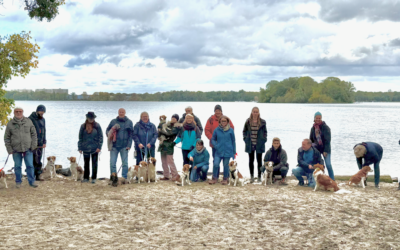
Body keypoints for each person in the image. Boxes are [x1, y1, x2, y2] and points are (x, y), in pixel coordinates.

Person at [4, 107, 38, 188]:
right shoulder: (10, 124)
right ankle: (18, 182)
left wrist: (34, 145)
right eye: (17, 111)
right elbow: (7, 138)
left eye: (20, 111)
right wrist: (9, 149)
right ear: (14, 113)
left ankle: (32, 181)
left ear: (23, 112)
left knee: (30, 165)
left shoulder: (28, 121)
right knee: (17, 166)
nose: (18, 113)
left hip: (28, 148)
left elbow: (34, 134)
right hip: (16, 149)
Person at [105, 108, 133, 186]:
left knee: (125, 163)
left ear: (125, 112)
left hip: (124, 146)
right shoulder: (113, 121)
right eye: (120, 112)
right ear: (118, 112)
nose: (121, 113)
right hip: (114, 146)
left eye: (122, 112)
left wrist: (129, 145)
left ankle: (124, 178)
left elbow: (131, 135)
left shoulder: (129, 122)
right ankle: (113, 178)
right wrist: (109, 134)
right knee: (112, 163)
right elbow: (107, 130)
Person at [208, 116, 236, 185]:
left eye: (225, 121)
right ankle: (214, 178)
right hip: (218, 150)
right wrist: (215, 145)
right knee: (216, 164)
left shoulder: (231, 130)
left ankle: (225, 179)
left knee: (226, 165)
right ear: (220, 122)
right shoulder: (217, 130)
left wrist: (234, 152)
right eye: (222, 121)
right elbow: (213, 139)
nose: (223, 122)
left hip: (228, 151)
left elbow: (233, 141)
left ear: (227, 122)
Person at [243, 107, 267, 183]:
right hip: (250, 143)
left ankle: (259, 176)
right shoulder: (248, 121)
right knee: (251, 160)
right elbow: (244, 131)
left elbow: (265, 132)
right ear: (252, 112)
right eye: (254, 112)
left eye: (257, 112)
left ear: (258, 113)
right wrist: (245, 139)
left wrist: (264, 139)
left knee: (259, 161)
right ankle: (252, 176)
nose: (255, 113)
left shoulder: (262, 122)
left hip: (259, 144)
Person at [78, 112, 103, 184]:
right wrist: (80, 147)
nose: (91, 119)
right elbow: (80, 137)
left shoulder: (97, 126)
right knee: (86, 164)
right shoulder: (83, 126)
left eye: (92, 118)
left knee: (94, 164)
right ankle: (86, 178)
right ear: (87, 118)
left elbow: (100, 137)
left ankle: (94, 178)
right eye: (89, 118)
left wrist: (99, 147)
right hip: (85, 147)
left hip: (95, 148)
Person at [309, 111, 334, 180]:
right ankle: (317, 178)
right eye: (316, 118)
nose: (318, 119)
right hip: (317, 149)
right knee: (317, 164)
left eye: (319, 118)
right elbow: (311, 139)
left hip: (326, 148)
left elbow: (327, 140)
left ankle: (332, 179)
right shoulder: (313, 128)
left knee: (328, 164)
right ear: (314, 119)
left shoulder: (325, 127)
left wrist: (325, 151)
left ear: (321, 118)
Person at [158, 114, 180, 181]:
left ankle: (175, 175)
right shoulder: (167, 125)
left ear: (177, 120)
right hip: (163, 144)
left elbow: (168, 133)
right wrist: (161, 122)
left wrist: (160, 130)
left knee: (170, 161)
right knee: (163, 161)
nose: (173, 119)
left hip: (169, 145)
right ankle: (166, 175)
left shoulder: (176, 127)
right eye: (172, 118)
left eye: (175, 118)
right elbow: (159, 133)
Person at [28, 104, 47, 181]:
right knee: (32, 160)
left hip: (40, 143)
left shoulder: (43, 119)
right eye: (41, 111)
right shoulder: (30, 119)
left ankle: (38, 175)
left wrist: (44, 141)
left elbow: (44, 131)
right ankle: (31, 175)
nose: (42, 113)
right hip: (32, 143)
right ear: (37, 111)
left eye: (43, 112)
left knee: (38, 159)